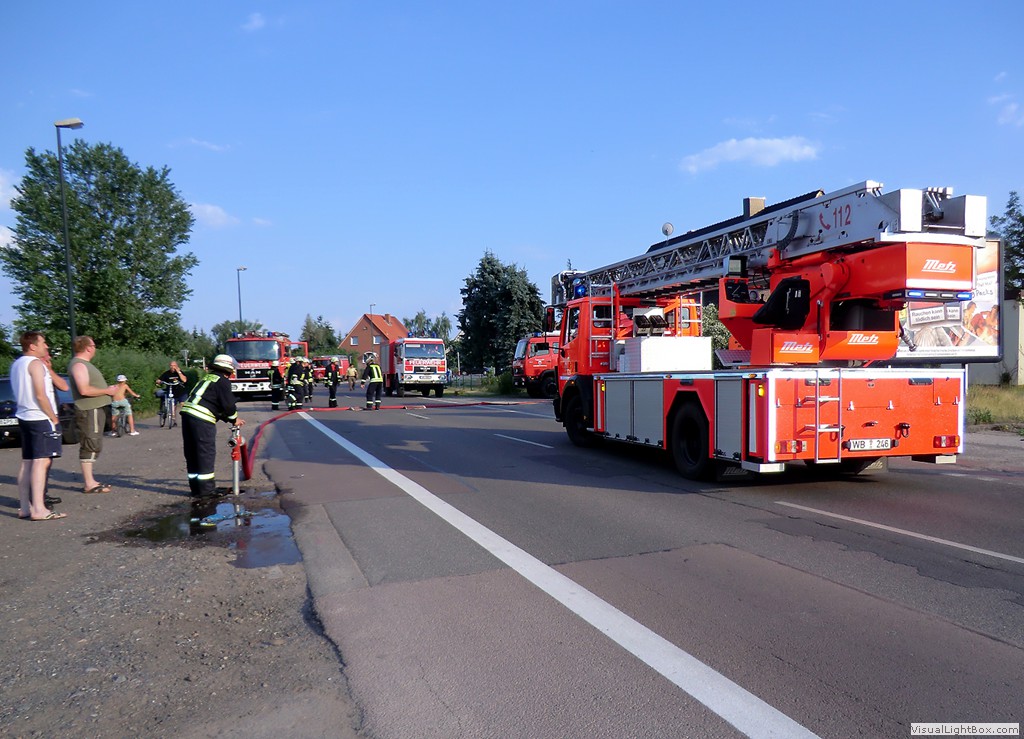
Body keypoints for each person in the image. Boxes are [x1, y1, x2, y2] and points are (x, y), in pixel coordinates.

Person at [12, 331, 70, 521]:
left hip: (24, 416)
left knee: (28, 461)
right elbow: (40, 394)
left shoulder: (17, 364)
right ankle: (39, 508)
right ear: (32, 346)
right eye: (43, 343)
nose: (46, 346)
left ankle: (25, 507)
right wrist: (53, 417)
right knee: (42, 460)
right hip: (40, 417)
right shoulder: (35, 364)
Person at [180, 354, 245, 499]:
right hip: (202, 419)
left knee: (192, 453)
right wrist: (234, 419)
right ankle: (207, 491)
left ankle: (196, 489)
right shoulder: (223, 381)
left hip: (188, 415)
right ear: (228, 368)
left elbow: (213, 403)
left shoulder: (207, 378)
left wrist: (228, 418)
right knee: (205, 453)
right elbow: (228, 405)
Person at [68, 335, 117, 495]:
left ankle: (91, 481)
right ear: (88, 347)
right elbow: (84, 389)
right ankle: (89, 483)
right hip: (89, 409)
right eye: (94, 345)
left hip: (95, 408)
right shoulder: (79, 365)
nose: (95, 348)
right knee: (91, 443)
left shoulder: (84, 364)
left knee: (95, 444)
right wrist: (107, 391)